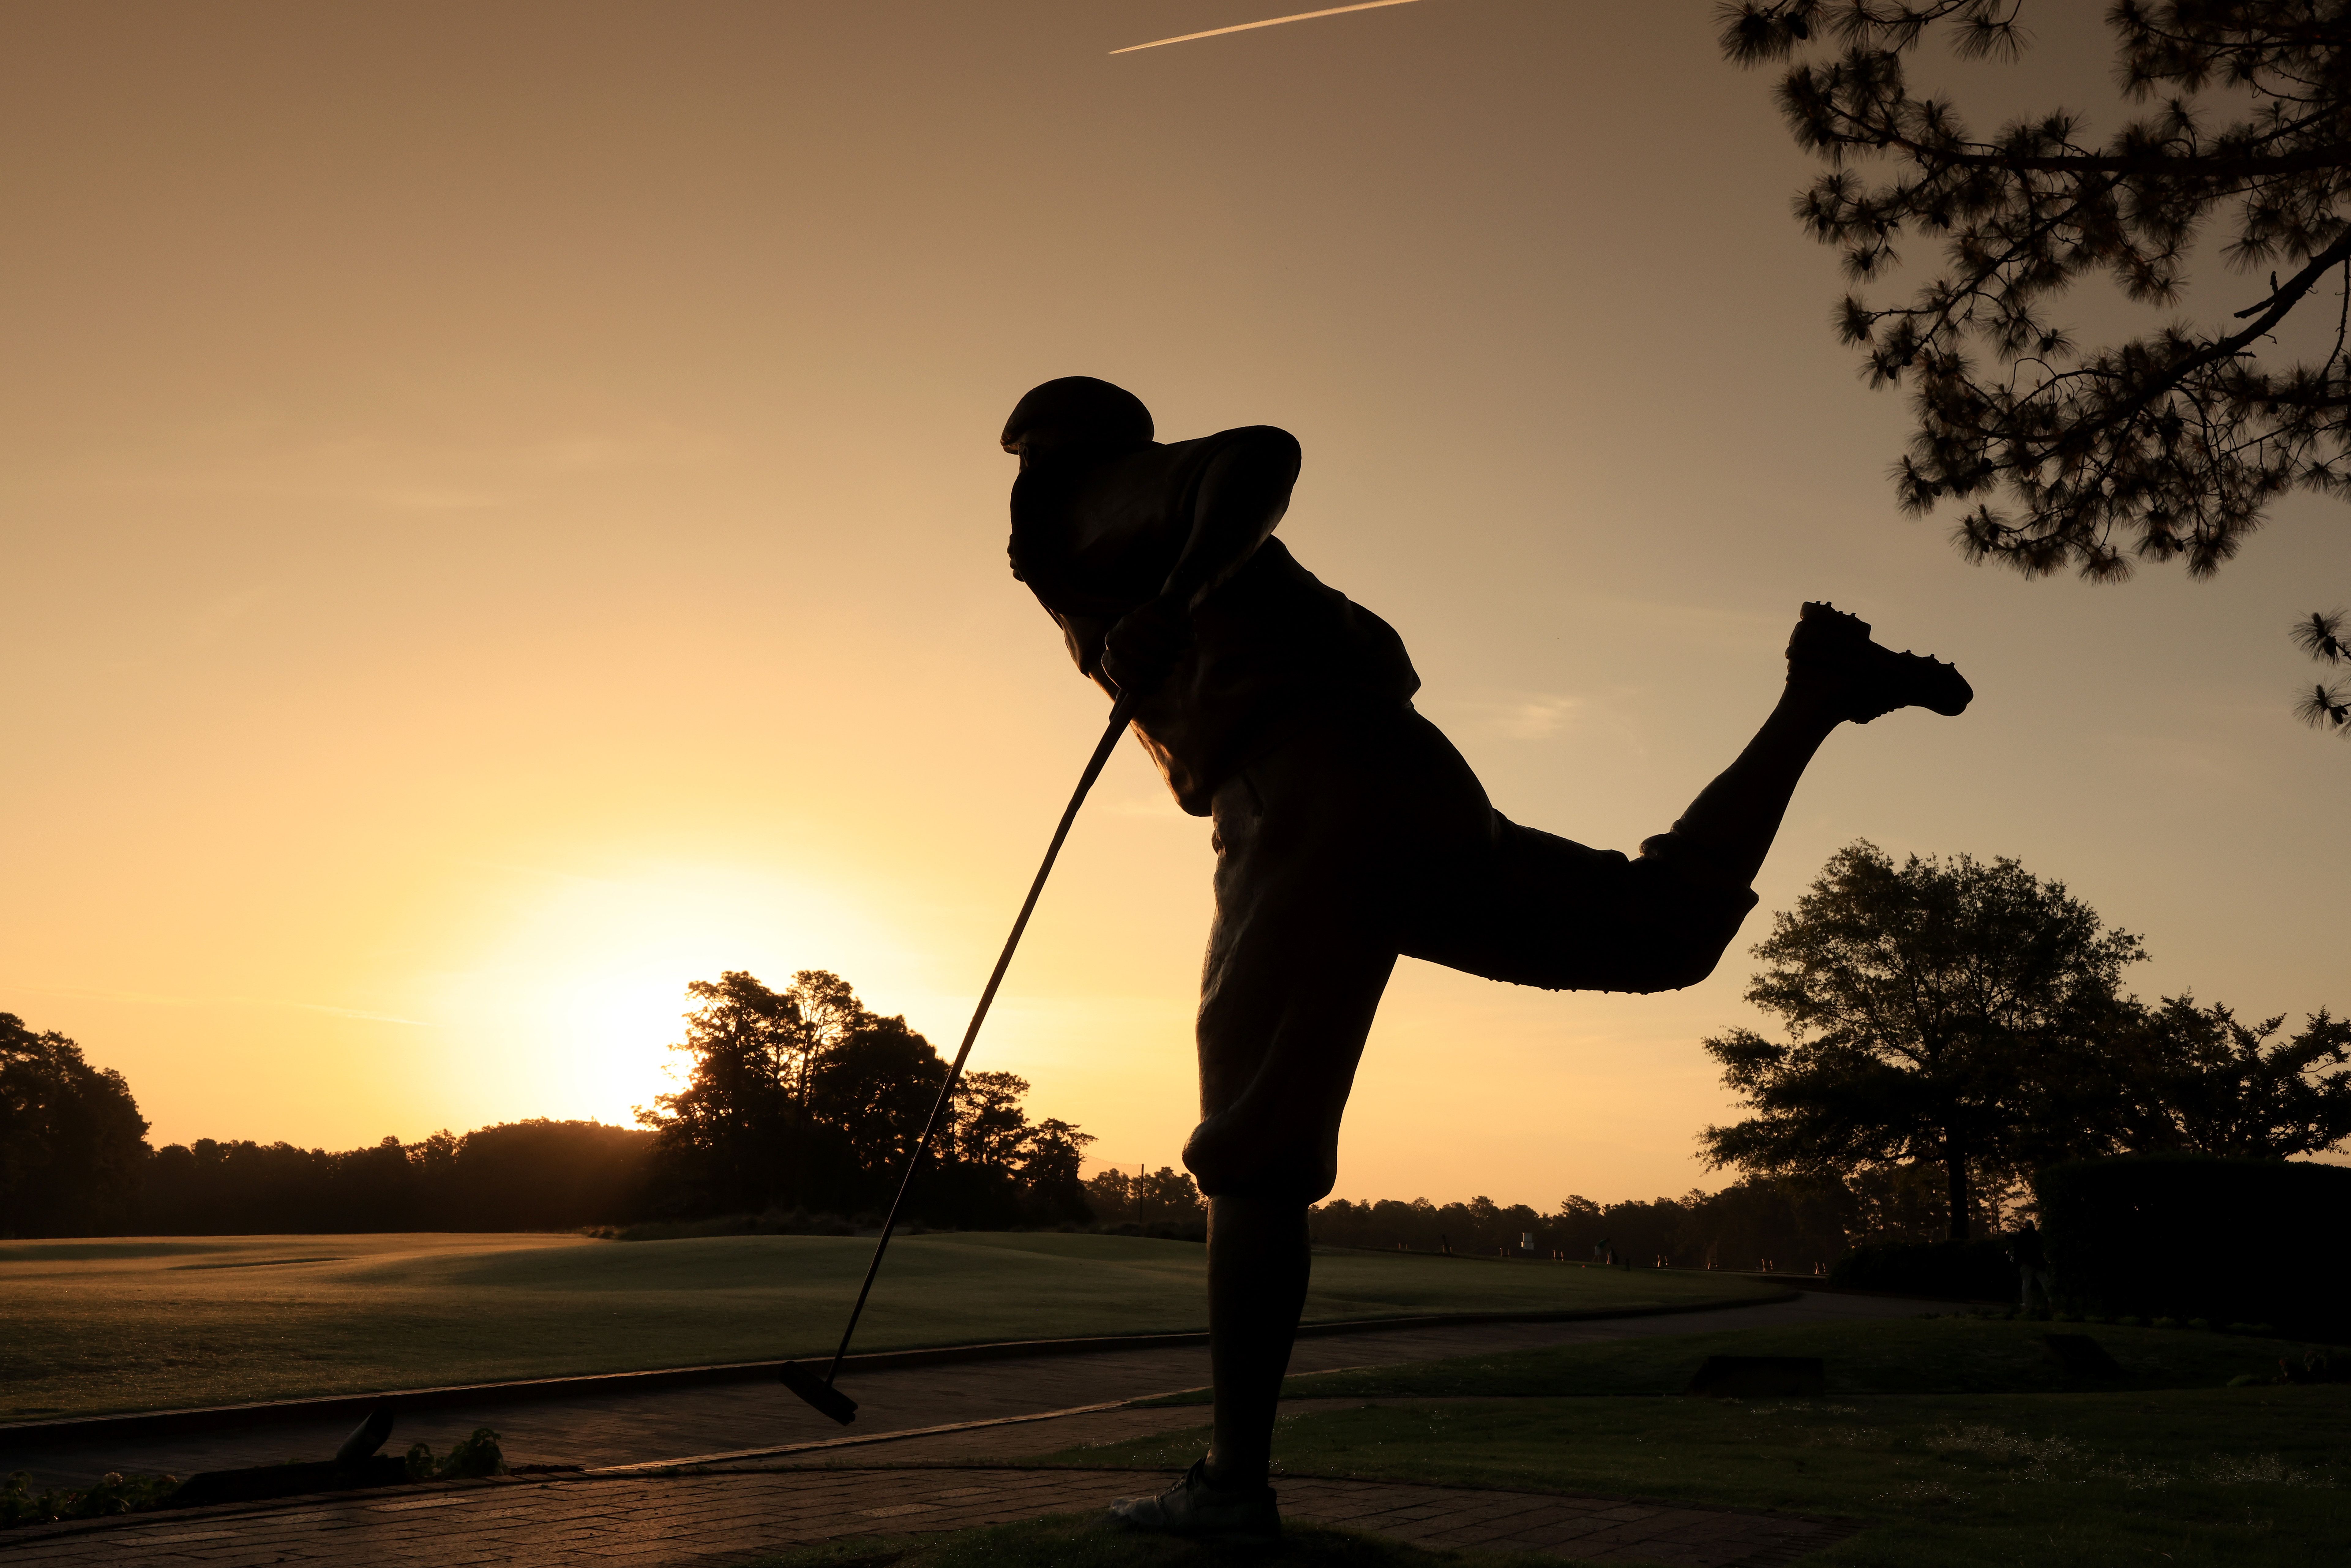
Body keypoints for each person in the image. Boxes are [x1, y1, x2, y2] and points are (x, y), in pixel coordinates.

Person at [999, 376, 1971, 1543]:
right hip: (1402, 783)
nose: (1021, 483)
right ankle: (1816, 695)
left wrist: (1174, 595)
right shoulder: (1116, 556)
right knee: (1656, 931)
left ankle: (1230, 1487)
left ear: (1054, 454)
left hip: (1301, 801)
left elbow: (1257, 451)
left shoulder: (1083, 503)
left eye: (1027, 458)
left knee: (1251, 1151)